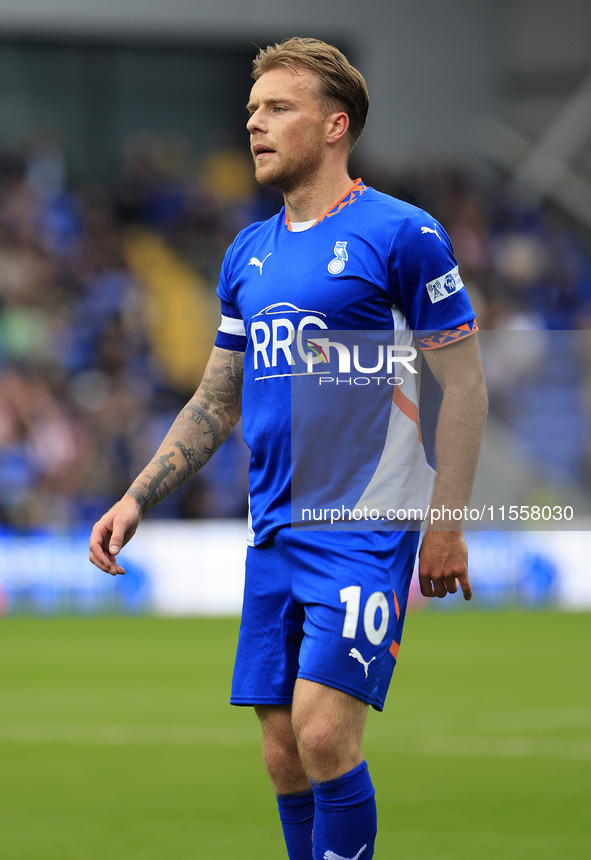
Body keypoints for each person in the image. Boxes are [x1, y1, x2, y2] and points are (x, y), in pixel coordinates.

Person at [89, 37, 488, 860]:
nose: (254, 126)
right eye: (250, 112)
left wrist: (445, 523)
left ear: (335, 125)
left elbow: (466, 385)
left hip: (363, 524)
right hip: (271, 529)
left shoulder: (403, 234)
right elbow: (215, 398)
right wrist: (136, 496)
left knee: (322, 735)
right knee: (282, 757)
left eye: (276, 109)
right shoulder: (249, 252)